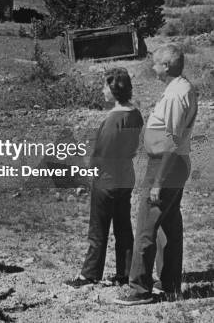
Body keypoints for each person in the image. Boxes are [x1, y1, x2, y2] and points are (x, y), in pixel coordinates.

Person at [115, 44, 198, 305]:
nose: (152, 67)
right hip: (173, 164)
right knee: (170, 224)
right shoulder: (182, 88)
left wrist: (158, 182)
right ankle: (171, 284)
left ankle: (139, 289)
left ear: (166, 66)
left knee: (146, 227)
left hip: (165, 165)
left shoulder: (175, 96)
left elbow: (171, 141)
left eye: (155, 63)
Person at [66, 68, 143, 288]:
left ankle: (89, 274)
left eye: (104, 86)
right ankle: (126, 272)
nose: (102, 90)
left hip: (107, 179)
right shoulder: (135, 114)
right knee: (122, 226)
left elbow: (102, 154)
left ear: (113, 89)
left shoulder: (113, 120)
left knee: (98, 228)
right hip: (125, 176)